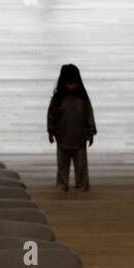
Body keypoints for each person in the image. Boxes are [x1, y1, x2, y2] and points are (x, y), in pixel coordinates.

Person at [47, 64, 97, 193]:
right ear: (63, 83)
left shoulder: (83, 99)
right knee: (62, 166)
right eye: (69, 83)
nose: (72, 86)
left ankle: (82, 184)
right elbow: (51, 115)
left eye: (75, 83)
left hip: (80, 138)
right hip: (62, 137)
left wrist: (91, 132)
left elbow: (89, 115)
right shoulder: (57, 100)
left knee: (81, 166)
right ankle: (62, 185)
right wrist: (50, 130)